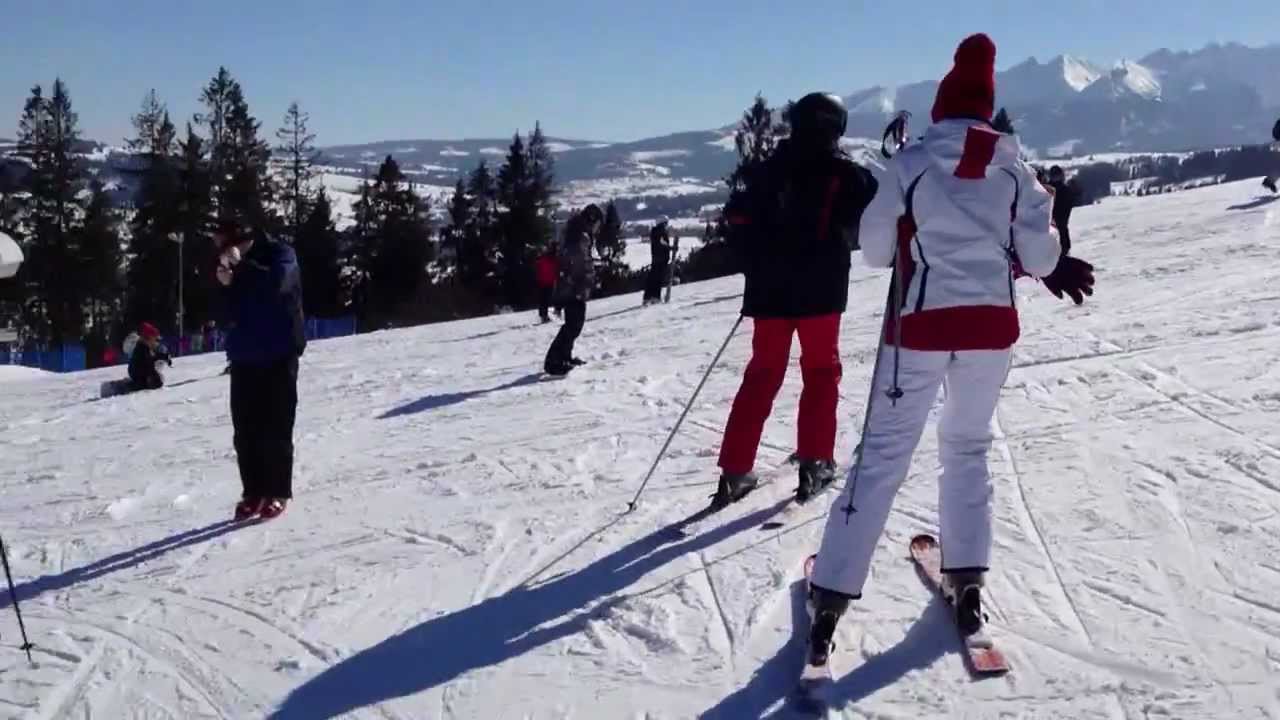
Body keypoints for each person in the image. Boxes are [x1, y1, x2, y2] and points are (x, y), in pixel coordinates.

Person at [805, 33, 1095, 669]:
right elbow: (1043, 257)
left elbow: (877, 251)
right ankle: (967, 578)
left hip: (920, 327)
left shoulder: (909, 164)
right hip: (992, 329)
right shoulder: (1016, 170)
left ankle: (830, 594)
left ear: (940, 106)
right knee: (967, 445)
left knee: (882, 454)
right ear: (986, 109)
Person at [715, 92, 879, 506]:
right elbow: (878, 198)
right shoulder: (843, 175)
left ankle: (735, 471)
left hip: (769, 292)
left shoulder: (766, 171)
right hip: (821, 292)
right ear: (835, 127)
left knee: (762, 375)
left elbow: (736, 217)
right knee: (821, 373)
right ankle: (815, 462)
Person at [214, 218, 306, 521]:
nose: (224, 251)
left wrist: (244, 270)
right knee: (246, 430)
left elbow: (277, 286)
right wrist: (226, 285)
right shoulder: (236, 265)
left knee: (276, 427)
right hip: (244, 356)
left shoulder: (281, 254)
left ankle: (277, 491)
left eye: (226, 245)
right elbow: (231, 311)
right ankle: (253, 492)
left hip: (279, 353)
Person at [544, 204, 602, 376]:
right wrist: (586, 279)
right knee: (574, 325)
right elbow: (579, 262)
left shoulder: (574, 231)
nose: (598, 228)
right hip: (573, 286)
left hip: (569, 284)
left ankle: (564, 356)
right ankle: (553, 361)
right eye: (598, 223)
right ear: (592, 220)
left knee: (573, 323)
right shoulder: (580, 235)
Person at [127, 322, 172, 391]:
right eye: (154, 339)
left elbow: (153, 357)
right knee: (155, 381)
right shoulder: (142, 349)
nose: (155, 342)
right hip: (140, 378)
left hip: (141, 375)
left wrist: (164, 356)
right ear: (147, 338)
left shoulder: (145, 348)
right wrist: (155, 379)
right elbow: (148, 363)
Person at [1047, 165, 1081, 255]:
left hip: (1056, 230)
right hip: (1052, 230)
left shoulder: (1062, 190)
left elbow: (1067, 207)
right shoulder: (1046, 189)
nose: (1055, 178)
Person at [644, 218, 673, 305]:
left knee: (654, 278)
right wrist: (670, 248)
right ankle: (654, 297)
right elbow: (662, 244)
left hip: (658, 259)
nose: (667, 225)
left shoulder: (656, 232)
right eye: (666, 223)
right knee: (657, 279)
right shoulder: (659, 232)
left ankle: (649, 297)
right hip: (660, 259)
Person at [535, 242, 559, 323]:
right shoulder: (553, 258)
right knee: (545, 299)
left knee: (543, 299)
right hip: (547, 280)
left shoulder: (543, 258)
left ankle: (543, 315)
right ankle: (544, 315)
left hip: (544, 280)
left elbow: (539, 267)